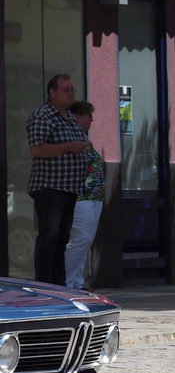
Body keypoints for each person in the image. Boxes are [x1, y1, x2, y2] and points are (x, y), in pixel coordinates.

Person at [26, 73, 95, 285]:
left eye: (72, 90)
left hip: (69, 188)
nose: (71, 94)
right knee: (49, 236)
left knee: (63, 239)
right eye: (66, 90)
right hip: (50, 187)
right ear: (52, 92)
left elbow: (75, 144)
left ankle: (58, 285)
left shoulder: (70, 117)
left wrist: (83, 147)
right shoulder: (43, 116)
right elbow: (37, 150)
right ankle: (44, 284)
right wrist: (69, 147)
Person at [63, 101, 104, 290]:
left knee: (85, 241)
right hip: (82, 197)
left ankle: (77, 281)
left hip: (94, 197)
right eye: (88, 115)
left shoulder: (84, 139)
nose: (92, 119)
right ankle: (70, 283)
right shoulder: (71, 138)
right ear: (78, 117)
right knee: (80, 240)